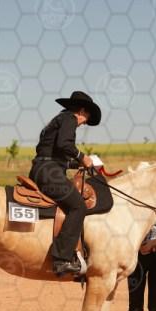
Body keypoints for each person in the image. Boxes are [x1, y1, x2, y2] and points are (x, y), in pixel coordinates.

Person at [29, 91, 101, 276]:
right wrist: (83, 157)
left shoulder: (57, 120)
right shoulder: (69, 118)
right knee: (78, 206)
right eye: (87, 117)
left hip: (43, 169)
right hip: (48, 172)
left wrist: (75, 164)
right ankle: (61, 259)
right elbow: (64, 144)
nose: (84, 122)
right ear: (82, 110)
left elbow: (52, 153)